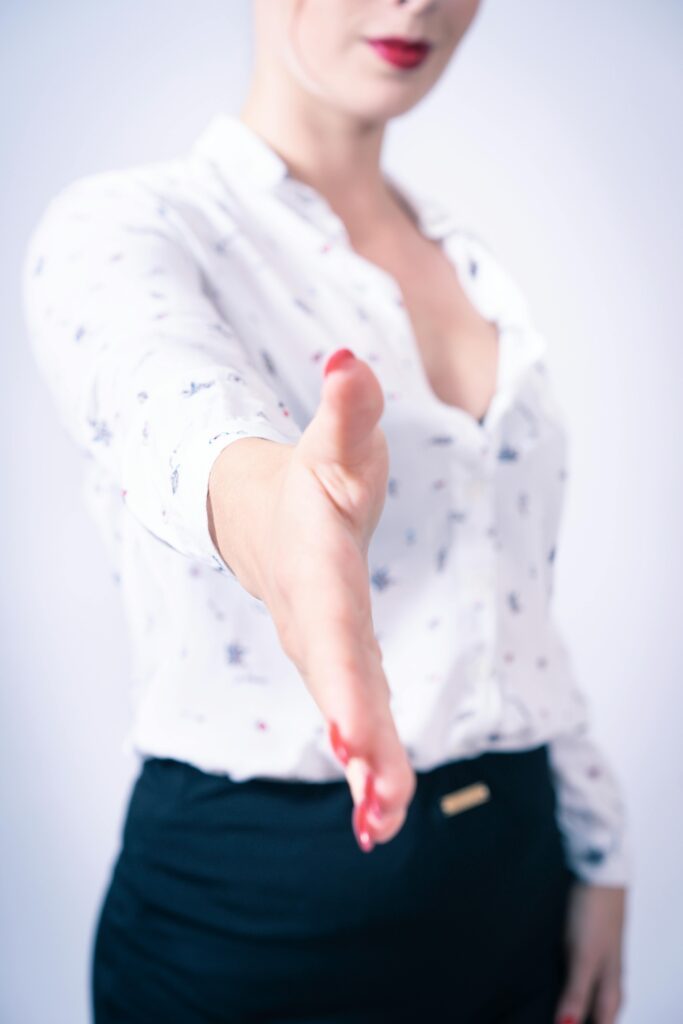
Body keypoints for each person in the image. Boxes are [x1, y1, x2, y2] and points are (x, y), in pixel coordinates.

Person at [21, 1, 630, 1021]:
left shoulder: (468, 261)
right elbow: (164, 394)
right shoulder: (129, 229)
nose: (417, 2)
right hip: (260, 915)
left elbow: (518, 609)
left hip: (520, 871)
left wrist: (596, 845)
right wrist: (271, 515)